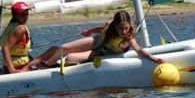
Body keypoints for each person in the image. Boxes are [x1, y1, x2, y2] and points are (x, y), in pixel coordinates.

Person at [32, 10, 164, 68]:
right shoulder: (110, 26)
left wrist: (152, 58)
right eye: (120, 29)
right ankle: (46, 65)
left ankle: (54, 65)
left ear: (129, 25)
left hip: (101, 52)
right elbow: (101, 29)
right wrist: (89, 31)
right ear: (114, 26)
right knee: (63, 48)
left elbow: (139, 51)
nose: (123, 31)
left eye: (125, 28)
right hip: (97, 42)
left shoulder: (128, 37)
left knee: (70, 58)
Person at [0, 1, 34, 75]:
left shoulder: (10, 27)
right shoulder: (21, 29)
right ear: (14, 16)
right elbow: (5, 47)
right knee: (52, 51)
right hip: (19, 68)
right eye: (22, 14)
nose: (25, 17)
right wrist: (12, 70)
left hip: (6, 67)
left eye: (27, 13)